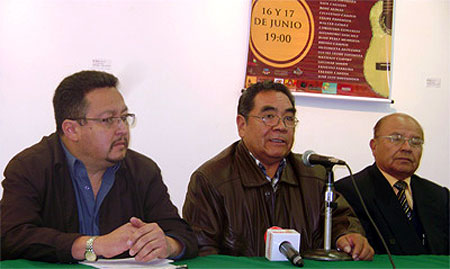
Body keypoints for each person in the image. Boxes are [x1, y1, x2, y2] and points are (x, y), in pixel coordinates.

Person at [1, 70, 198, 262]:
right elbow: (11, 237)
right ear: (71, 130)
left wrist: (168, 244)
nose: (122, 129)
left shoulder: (143, 170)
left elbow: (183, 235)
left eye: (123, 117)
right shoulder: (30, 167)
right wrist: (92, 245)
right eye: (108, 120)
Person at [182, 81, 374, 260]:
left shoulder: (314, 175)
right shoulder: (211, 179)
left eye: (289, 118)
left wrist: (348, 236)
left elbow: (340, 219)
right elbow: (203, 253)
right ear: (242, 125)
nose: (281, 127)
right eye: (268, 117)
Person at [335, 113, 449, 255]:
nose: (407, 147)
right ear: (374, 146)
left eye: (415, 141)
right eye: (396, 139)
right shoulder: (350, 191)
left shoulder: (439, 196)